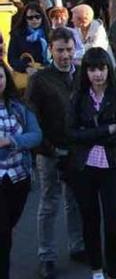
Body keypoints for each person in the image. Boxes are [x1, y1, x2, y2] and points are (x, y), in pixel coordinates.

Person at [65, 48, 116, 279]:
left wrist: (90, 133)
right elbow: (71, 133)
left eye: (101, 68)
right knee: (90, 219)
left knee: (114, 222)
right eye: (92, 69)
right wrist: (104, 130)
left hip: (114, 166)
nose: (97, 74)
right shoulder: (78, 97)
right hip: (85, 167)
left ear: (108, 69)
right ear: (86, 71)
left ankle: (114, 272)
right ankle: (96, 269)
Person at [25, 28, 87, 278]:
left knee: (75, 200)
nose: (65, 55)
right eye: (60, 50)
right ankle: (46, 255)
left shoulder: (82, 74)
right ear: (51, 49)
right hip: (49, 150)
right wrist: (46, 147)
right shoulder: (39, 79)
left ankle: (78, 246)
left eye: (69, 50)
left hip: (76, 149)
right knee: (49, 203)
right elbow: (32, 116)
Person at [0, 61, 42, 279]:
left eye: (0, 77)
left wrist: (11, 140)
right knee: (3, 233)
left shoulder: (19, 106)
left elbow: (36, 136)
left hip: (19, 177)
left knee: (9, 226)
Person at [8, 2, 50, 78]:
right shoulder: (17, 34)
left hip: (48, 73)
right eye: (30, 17)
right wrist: (26, 68)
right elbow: (12, 58)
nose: (34, 20)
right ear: (25, 19)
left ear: (42, 17)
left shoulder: (50, 33)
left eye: (37, 17)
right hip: (28, 75)